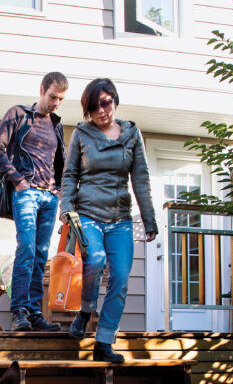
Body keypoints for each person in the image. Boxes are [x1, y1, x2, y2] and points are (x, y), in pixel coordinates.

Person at [60, 78, 159, 363]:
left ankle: (104, 341)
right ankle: (85, 310)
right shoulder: (81, 134)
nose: (101, 111)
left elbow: (140, 177)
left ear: (114, 100)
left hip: (120, 219)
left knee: (121, 279)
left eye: (105, 103)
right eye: (94, 107)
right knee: (96, 259)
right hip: (88, 214)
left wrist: (149, 220)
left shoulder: (131, 134)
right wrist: (66, 208)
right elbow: (70, 175)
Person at [0, 71, 68, 332]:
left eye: (61, 100)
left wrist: (59, 190)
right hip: (27, 191)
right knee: (26, 250)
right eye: (53, 97)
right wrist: (17, 180)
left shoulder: (57, 125)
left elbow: (61, 163)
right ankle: (18, 312)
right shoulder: (19, 114)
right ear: (42, 89)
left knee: (41, 255)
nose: (56, 103)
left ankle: (34, 313)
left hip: (49, 197)